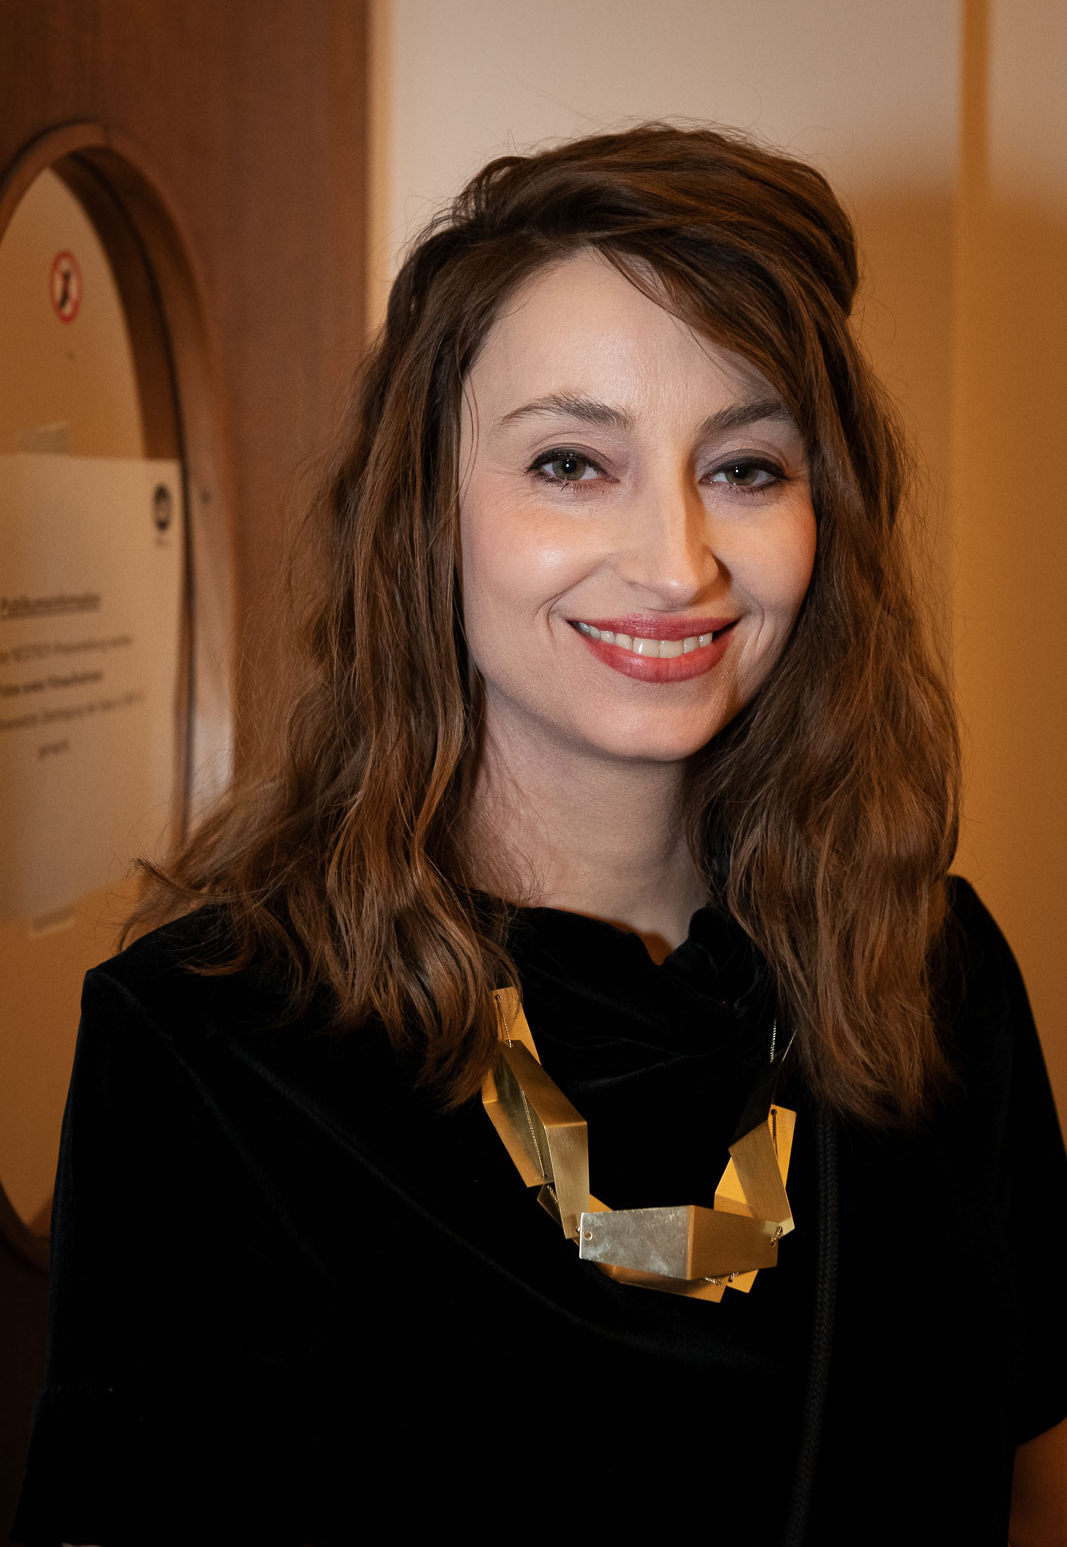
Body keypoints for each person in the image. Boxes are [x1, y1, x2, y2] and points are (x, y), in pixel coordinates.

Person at [13, 124, 1067, 1546]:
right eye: (571, 462)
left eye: (747, 467)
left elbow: (1027, 1482)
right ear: (428, 513)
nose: (677, 563)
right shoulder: (208, 1049)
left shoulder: (939, 978)